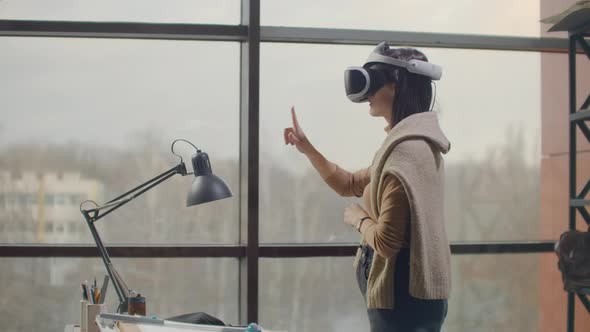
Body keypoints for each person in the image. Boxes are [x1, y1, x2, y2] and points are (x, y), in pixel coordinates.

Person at [283, 42, 451, 332]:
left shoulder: (404, 153)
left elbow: (387, 241)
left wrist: (356, 218)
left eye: (374, 83)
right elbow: (349, 183)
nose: (368, 95)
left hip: (401, 302)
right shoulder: (412, 144)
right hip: (413, 299)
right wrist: (307, 148)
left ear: (395, 86)